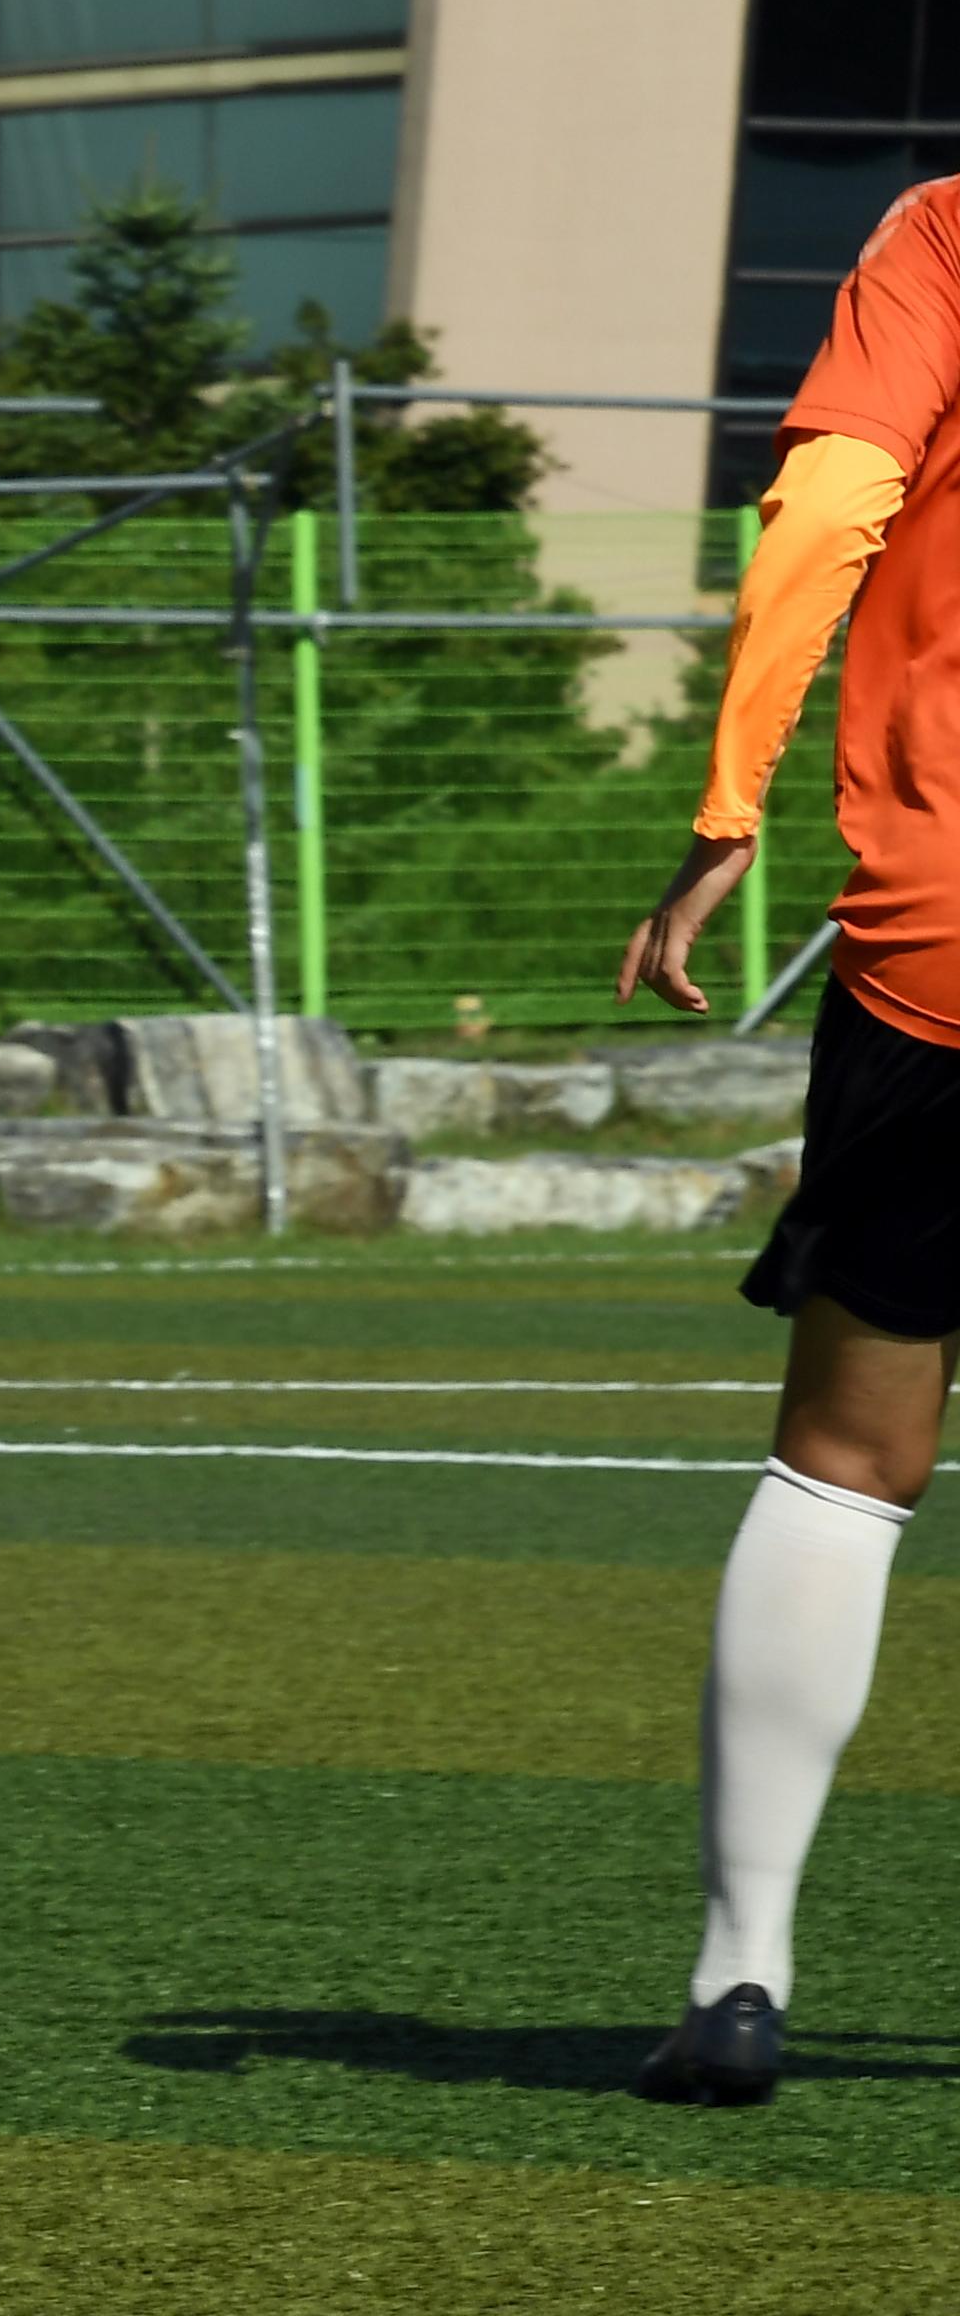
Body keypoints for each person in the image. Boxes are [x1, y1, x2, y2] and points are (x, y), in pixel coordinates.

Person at [614, 174, 960, 2107]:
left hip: (940, 950)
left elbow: (831, 503)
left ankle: (738, 1970)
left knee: (846, 1457)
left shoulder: (941, 232)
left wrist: (731, 794)